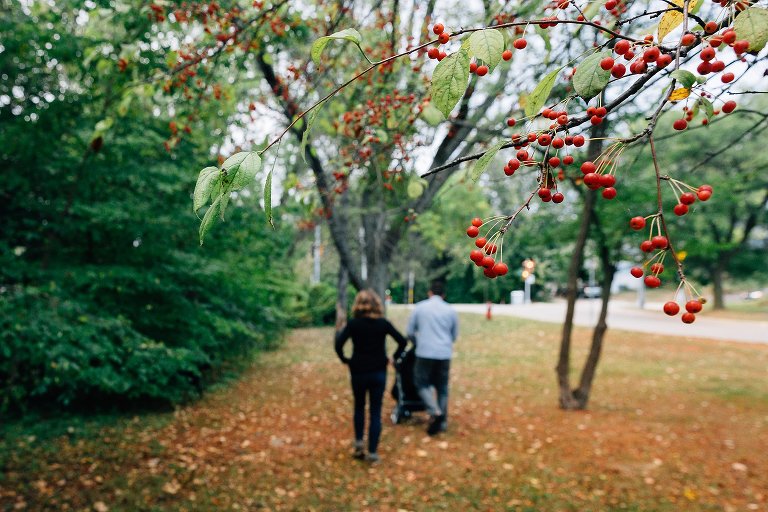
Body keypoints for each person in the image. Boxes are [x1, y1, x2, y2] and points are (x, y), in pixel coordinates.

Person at [335, 289, 408, 463]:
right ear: (377, 305)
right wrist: (393, 358)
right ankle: (373, 452)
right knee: (375, 411)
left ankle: (359, 443)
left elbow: (338, 345)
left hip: (358, 370)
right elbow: (403, 341)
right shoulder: (383, 324)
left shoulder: (353, 324)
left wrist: (346, 359)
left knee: (359, 407)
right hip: (378, 371)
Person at [406, 281, 458, 436]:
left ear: (429, 293)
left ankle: (434, 410)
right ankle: (441, 421)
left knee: (421, 382)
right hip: (444, 353)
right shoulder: (450, 310)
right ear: (443, 295)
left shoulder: (420, 308)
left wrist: (418, 343)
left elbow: (409, 331)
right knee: (442, 387)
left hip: (424, 352)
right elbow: (454, 335)